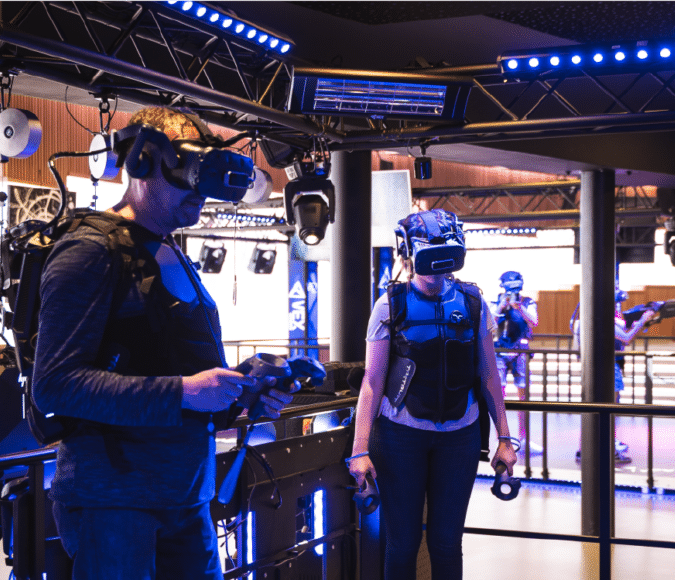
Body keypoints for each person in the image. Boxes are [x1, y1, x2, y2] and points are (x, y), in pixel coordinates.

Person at [31, 106, 295, 580]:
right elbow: (54, 385)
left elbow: (174, 367)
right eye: (188, 180)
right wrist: (185, 392)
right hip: (114, 505)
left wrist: (239, 394)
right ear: (142, 164)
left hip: (187, 498)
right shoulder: (90, 250)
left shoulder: (169, 246)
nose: (199, 198)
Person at [347, 209, 518, 580]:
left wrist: (506, 439)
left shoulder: (473, 302)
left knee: (446, 544)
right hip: (399, 437)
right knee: (402, 544)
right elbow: (372, 381)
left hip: (460, 437)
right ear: (409, 254)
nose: (437, 271)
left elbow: (490, 376)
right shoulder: (389, 304)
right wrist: (360, 449)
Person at [575, 287, 655, 464]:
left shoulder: (584, 319)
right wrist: (642, 321)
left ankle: (583, 450)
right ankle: (610, 451)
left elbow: (577, 349)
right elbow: (626, 338)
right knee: (610, 410)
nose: (617, 307)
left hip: (590, 367)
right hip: (608, 366)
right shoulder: (603, 319)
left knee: (589, 410)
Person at [493, 271, 539, 452]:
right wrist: (501, 307)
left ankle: (524, 438)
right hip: (500, 351)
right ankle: (502, 440)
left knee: (524, 396)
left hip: (521, 351)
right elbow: (489, 323)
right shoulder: (496, 300)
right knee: (499, 397)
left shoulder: (528, 302)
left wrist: (519, 308)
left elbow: (534, 321)